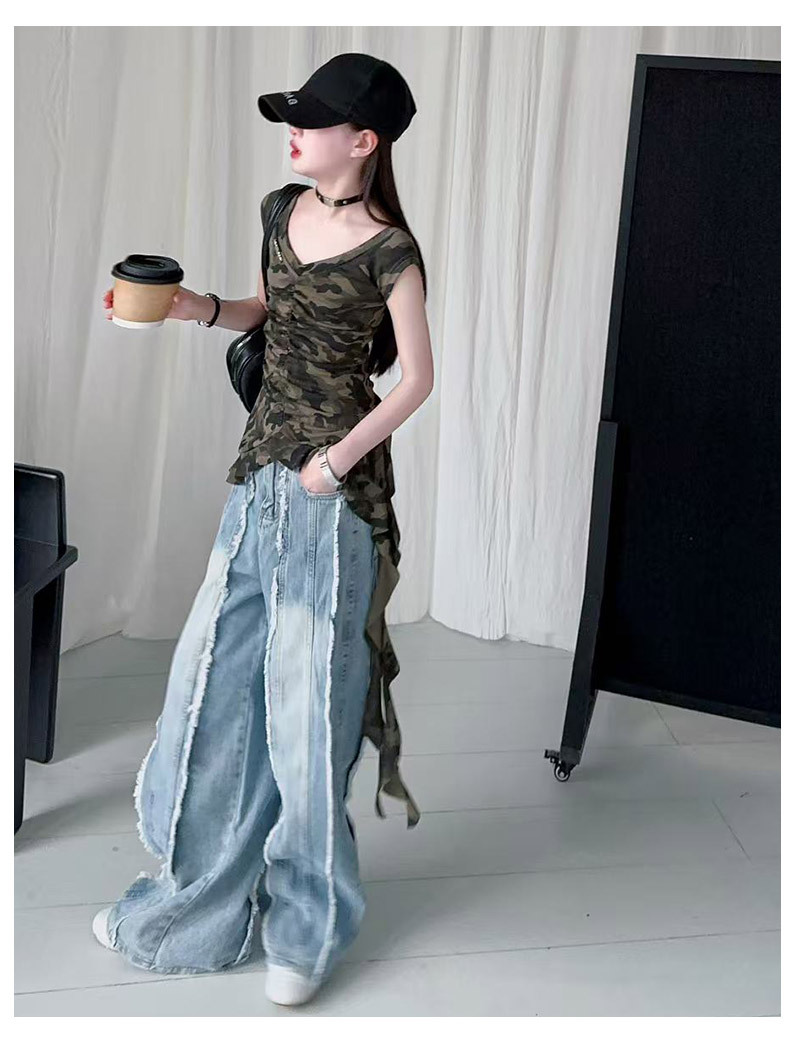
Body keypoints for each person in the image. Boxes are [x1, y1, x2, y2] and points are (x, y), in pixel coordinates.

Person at [95, 52, 433, 1007]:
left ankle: (306, 929)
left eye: (313, 120)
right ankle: (195, 907)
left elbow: (416, 378)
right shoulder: (281, 210)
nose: (295, 131)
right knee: (214, 691)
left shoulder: (391, 251)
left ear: (362, 141)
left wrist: (336, 463)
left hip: (334, 502)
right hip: (257, 481)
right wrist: (188, 308)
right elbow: (265, 313)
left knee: (308, 715)